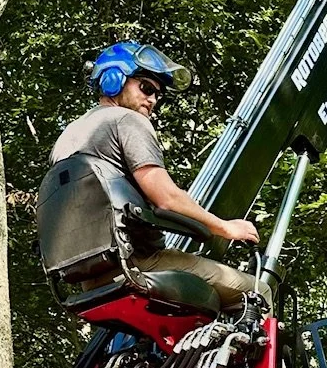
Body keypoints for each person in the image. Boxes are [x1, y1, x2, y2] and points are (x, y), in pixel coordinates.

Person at [53, 42, 261, 308]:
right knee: (258, 292)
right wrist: (224, 227)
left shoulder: (67, 138)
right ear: (114, 79)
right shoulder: (126, 120)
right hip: (139, 263)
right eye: (146, 88)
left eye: (157, 94)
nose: (152, 100)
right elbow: (166, 198)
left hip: (89, 280)